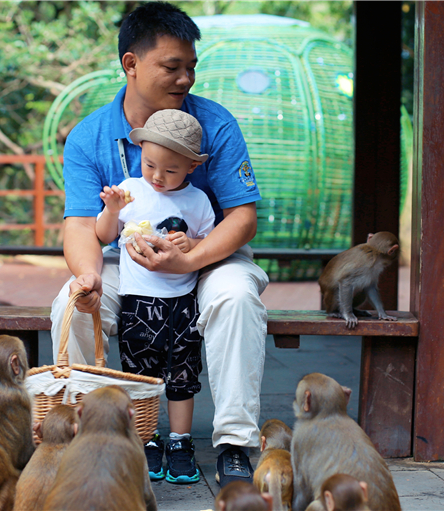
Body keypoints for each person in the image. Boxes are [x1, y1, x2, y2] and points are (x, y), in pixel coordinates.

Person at [50, 1, 268, 488]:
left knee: (235, 295)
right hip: (121, 260)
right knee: (73, 301)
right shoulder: (89, 137)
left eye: (191, 67)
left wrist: (189, 256)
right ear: (131, 64)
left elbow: (242, 218)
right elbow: (82, 226)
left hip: (211, 256)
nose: (185, 78)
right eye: (172, 67)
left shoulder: (216, 123)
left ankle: (233, 443)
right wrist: (87, 276)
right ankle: (97, 436)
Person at [96, 109, 214, 483]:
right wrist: (112, 209)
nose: (158, 177)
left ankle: (180, 442)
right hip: (138, 300)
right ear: (140, 153)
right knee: (139, 373)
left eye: (171, 170)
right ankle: (145, 438)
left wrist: (192, 243)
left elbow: (210, 242)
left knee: (182, 375)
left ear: (193, 167)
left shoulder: (198, 202)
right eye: (150, 165)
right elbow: (103, 234)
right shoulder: (130, 189)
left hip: (183, 301)